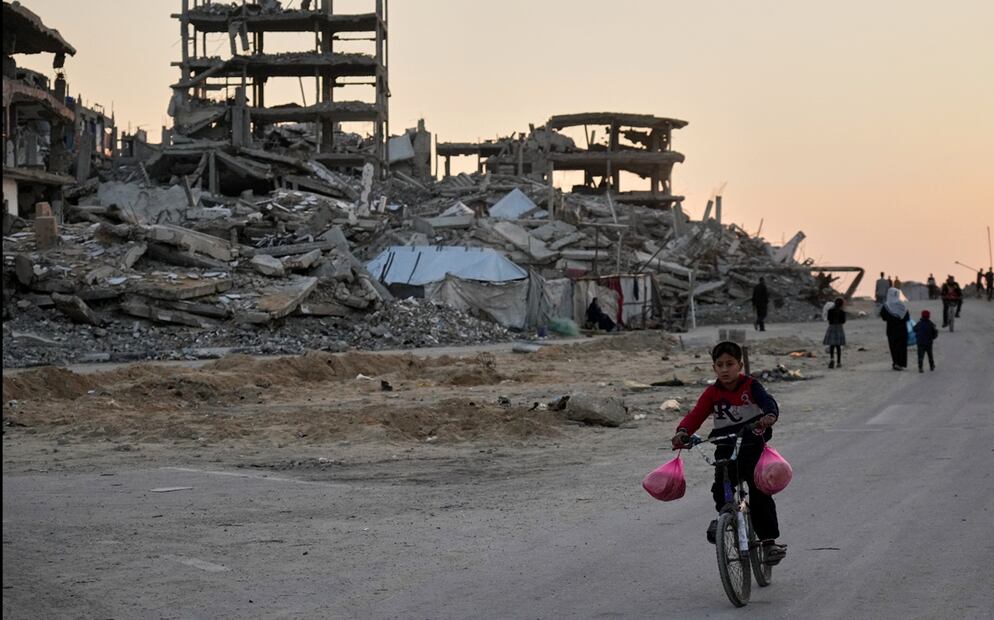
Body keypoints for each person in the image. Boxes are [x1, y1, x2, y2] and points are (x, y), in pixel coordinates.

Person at [670, 341, 786, 565]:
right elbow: (696, 415)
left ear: (739, 365)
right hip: (725, 446)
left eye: (730, 364)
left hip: (753, 445)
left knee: (760, 491)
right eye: (720, 365)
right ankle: (727, 517)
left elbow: (768, 402)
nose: (725, 369)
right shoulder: (712, 393)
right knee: (720, 487)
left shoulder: (751, 386)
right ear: (714, 368)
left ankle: (769, 542)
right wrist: (683, 432)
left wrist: (770, 415)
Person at [880, 287, 910, 370]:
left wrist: (891, 318)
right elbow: (907, 318)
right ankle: (901, 363)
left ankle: (896, 363)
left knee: (894, 347)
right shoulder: (902, 305)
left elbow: (883, 317)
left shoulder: (886, 306)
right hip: (903, 330)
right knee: (902, 347)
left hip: (891, 330)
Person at [823, 297, 847, 369]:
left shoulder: (830, 311)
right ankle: (839, 362)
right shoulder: (842, 312)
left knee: (832, 345)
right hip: (839, 328)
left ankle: (832, 359)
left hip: (832, 327)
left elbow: (829, 320)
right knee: (838, 346)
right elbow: (843, 321)